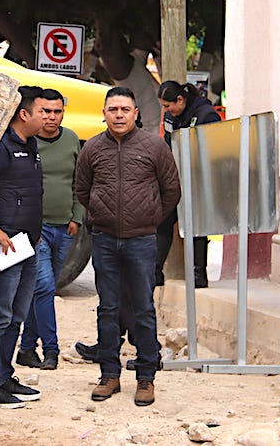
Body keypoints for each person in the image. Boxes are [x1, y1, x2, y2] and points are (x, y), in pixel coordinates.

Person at [76, 87, 180, 406]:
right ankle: (109, 375)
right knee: (107, 308)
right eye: (112, 109)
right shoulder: (92, 148)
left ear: (136, 113)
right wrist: (100, 215)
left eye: (125, 109)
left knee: (143, 309)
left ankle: (146, 379)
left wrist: (148, 218)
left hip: (141, 241)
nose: (118, 115)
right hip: (105, 240)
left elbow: (171, 190)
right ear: (104, 113)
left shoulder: (154, 146)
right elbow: (81, 189)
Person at [0, 85, 47, 408]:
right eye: (43, 112)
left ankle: (4, 376)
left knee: (17, 314)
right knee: (0, 314)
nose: (50, 118)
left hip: (28, 244)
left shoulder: (31, 145)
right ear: (24, 114)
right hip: (7, 246)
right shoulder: (3, 146)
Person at [16, 89, 83, 371]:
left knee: (42, 290)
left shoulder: (71, 139)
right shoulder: (25, 141)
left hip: (65, 228)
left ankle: (26, 349)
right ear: (34, 112)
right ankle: (51, 350)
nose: (51, 117)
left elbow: (81, 181)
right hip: (36, 230)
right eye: (45, 111)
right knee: (43, 287)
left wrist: (77, 217)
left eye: (57, 112)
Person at [156, 80, 221, 288]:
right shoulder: (170, 117)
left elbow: (212, 149)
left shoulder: (205, 115)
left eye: (168, 105)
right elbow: (167, 145)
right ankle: (155, 271)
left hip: (199, 180)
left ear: (180, 100)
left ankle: (198, 274)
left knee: (196, 225)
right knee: (163, 220)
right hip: (174, 179)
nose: (166, 110)